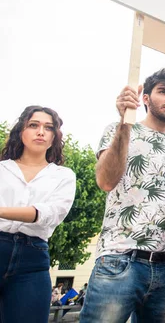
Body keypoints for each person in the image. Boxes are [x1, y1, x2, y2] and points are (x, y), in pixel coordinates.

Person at [80, 69, 165, 323]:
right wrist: (124, 124)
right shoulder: (118, 130)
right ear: (146, 98)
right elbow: (106, 181)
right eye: (163, 91)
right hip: (120, 260)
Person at [0, 106, 76, 321]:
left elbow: (50, 213)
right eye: (33, 125)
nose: (40, 131)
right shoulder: (2, 169)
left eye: (48, 127)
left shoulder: (63, 176)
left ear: (54, 136)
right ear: (21, 131)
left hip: (32, 258)